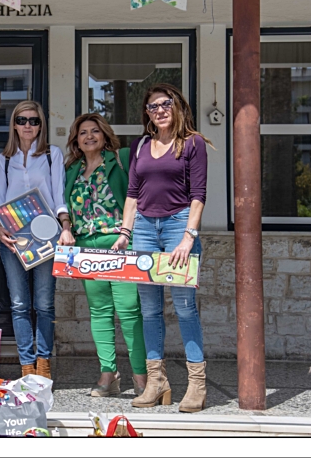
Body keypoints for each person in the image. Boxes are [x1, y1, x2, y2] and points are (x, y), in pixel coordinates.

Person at [112, 83, 213, 413]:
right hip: (143, 228)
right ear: (147, 113)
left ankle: (197, 385)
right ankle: (156, 383)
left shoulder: (192, 143)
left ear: (177, 105)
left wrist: (188, 236)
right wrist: (125, 232)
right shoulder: (140, 145)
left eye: (166, 103)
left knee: (184, 307)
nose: (160, 110)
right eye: (153, 106)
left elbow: (198, 194)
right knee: (150, 309)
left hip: (178, 226)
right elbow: (132, 194)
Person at [60, 113, 147, 398]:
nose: (89, 136)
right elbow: (63, 205)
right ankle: (108, 374)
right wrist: (66, 226)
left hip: (120, 244)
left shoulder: (120, 159)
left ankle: (141, 375)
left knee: (129, 310)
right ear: (76, 140)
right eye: (83, 132)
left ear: (104, 134)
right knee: (99, 312)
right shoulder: (71, 170)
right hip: (86, 247)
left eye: (94, 131)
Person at [0, 100, 69, 380]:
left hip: (46, 237)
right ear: (14, 124)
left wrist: (66, 227)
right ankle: (26, 365)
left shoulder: (52, 155)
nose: (27, 126)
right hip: (13, 238)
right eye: (22, 120)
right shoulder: (3, 160)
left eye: (34, 121)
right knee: (19, 304)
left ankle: (43, 363)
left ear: (41, 125)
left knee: (44, 304)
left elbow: (59, 196)